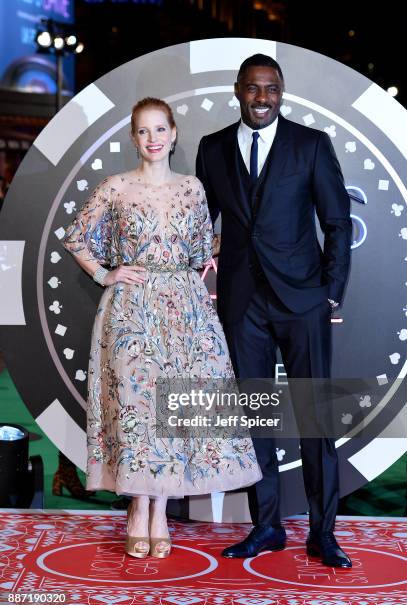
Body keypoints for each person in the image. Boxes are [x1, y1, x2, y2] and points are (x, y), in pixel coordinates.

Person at [63, 97, 261, 559]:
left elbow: (199, 253)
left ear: (173, 134)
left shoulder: (192, 189)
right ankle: (138, 508)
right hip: (131, 311)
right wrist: (105, 274)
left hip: (185, 310)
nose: (152, 139)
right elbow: (76, 239)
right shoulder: (115, 188)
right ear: (134, 138)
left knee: (175, 409)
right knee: (136, 408)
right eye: (143, 131)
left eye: (160, 129)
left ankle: (160, 510)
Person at [196, 55, 352, 568]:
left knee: (314, 421)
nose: (263, 98)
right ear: (238, 90)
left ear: (281, 93)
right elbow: (202, 227)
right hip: (243, 305)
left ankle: (322, 533)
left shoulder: (311, 145)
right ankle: (266, 527)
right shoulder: (212, 149)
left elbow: (337, 222)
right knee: (256, 418)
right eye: (254, 89)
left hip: (303, 301)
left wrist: (330, 292)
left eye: (272, 89)